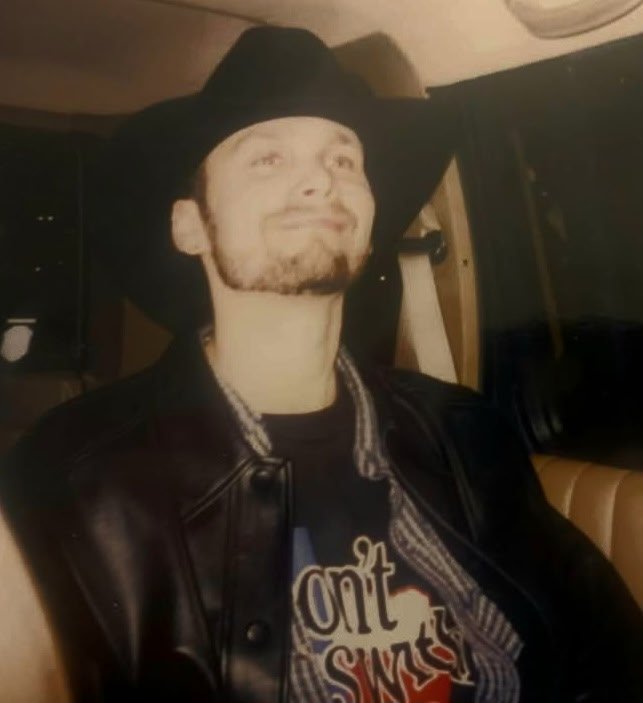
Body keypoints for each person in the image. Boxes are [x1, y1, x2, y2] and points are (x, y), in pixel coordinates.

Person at [1, 26, 642, 703]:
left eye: (343, 158)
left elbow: (609, 653)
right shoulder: (74, 478)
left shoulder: (464, 431)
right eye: (267, 158)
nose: (319, 179)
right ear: (190, 225)